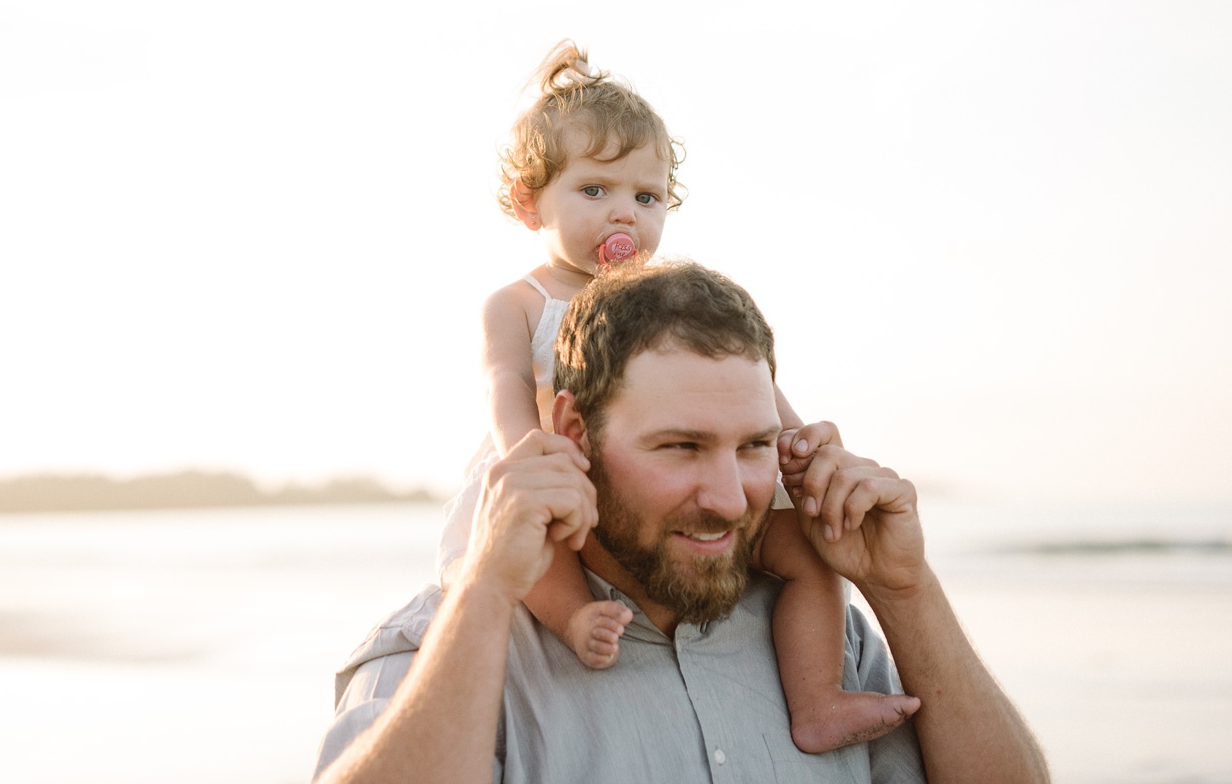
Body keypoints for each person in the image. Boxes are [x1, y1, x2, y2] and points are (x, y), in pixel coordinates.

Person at [314, 260, 1049, 784]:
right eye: (681, 446)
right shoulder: (438, 651)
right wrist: (482, 595)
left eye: (755, 444)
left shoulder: (831, 643)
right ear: (571, 430)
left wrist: (906, 588)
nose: (730, 498)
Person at [437, 40, 914, 752]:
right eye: (595, 190)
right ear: (528, 201)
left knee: (809, 554)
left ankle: (818, 695)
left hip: (665, 489)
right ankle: (571, 619)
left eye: (646, 196)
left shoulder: (673, 299)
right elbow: (503, 379)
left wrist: (799, 437)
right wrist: (523, 448)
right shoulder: (520, 302)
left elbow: (745, 383)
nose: (623, 214)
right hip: (562, 472)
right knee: (542, 544)